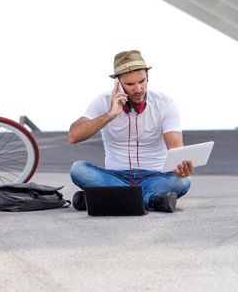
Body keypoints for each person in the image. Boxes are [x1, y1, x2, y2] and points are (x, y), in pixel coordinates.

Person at [68, 50, 193, 213]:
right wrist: (111, 114)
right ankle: (151, 200)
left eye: (142, 81)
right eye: (130, 84)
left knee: (183, 182)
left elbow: (175, 148)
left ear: (148, 75)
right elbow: (73, 136)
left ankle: (105, 198)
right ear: (118, 83)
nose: (138, 88)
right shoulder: (103, 101)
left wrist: (181, 167)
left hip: (155, 177)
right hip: (115, 176)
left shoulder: (166, 104)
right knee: (78, 169)